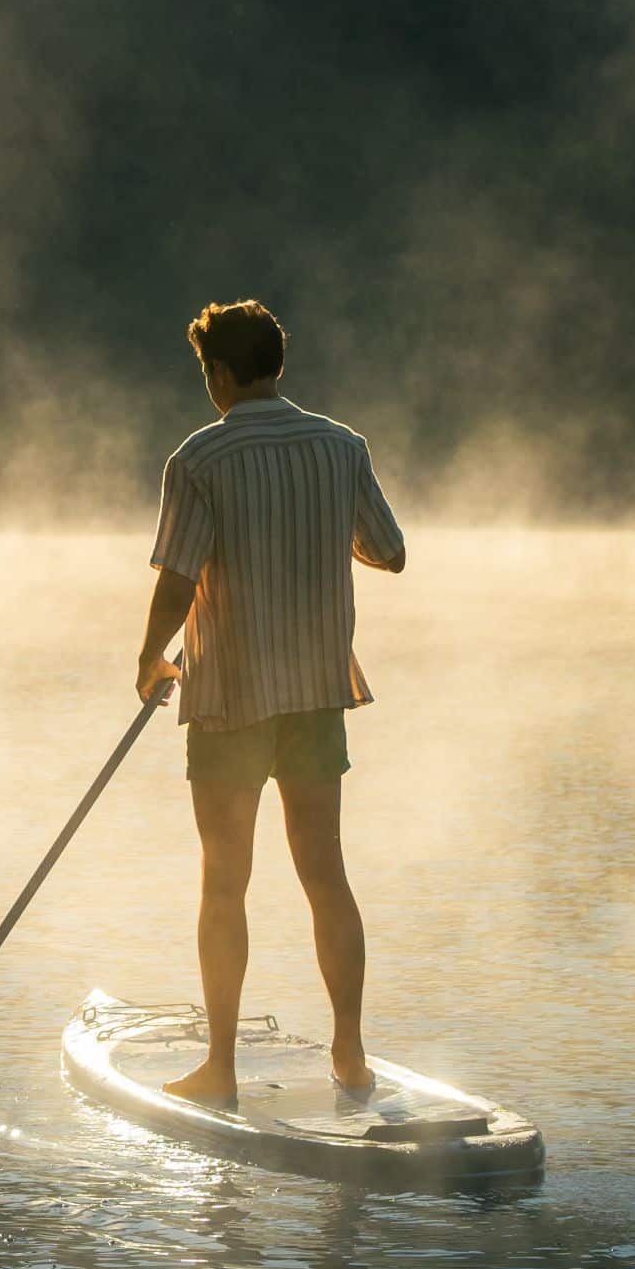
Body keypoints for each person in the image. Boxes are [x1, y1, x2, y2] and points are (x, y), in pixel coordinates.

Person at [134, 300, 406, 1103]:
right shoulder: (341, 445)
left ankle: (219, 1069)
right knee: (327, 875)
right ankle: (349, 1056)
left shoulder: (200, 459)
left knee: (226, 882)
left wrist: (150, 658)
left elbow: (179, 580)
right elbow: (388, 552)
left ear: (220, 373)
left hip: (230, 700)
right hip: (317, 693)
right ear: (276, 365)